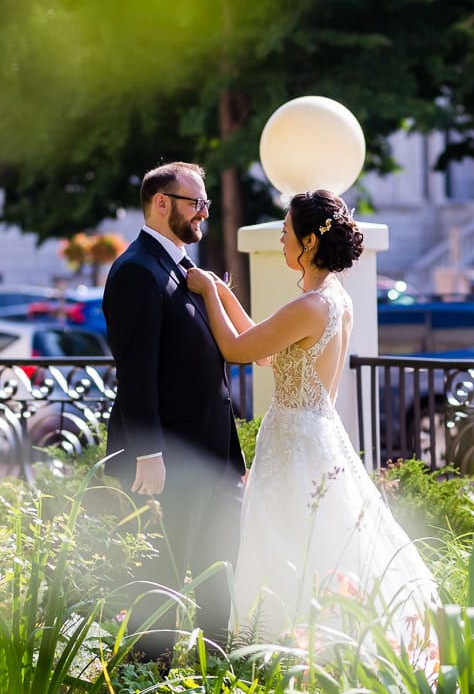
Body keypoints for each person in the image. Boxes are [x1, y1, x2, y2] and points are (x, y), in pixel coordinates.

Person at [185, 189, 439, 663]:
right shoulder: (331, 300)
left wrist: (205, 293)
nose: (281, 240)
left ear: (306, 243)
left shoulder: (311, 306)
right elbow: (263, 346)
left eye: (285, 233)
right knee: (309, 539)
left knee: (290, 543)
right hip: (313, 435)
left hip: (296, 441)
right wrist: (222, 293)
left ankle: (294, 654)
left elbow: (238, 351)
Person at [102, 161, 245, 661]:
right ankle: (146, 692)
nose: (204, 212)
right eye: (195, 203)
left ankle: (215, 687)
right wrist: (148, 453)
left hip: (213, 456)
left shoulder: (184, 268)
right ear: (161, 204)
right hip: (167, 463)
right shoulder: (137, 271)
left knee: (217, 572)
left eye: (205, 203)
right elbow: (136, 369)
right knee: (161, 580)